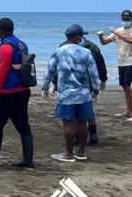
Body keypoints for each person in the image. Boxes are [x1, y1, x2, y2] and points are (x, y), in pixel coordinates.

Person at [42, 25, 100, 162]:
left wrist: (45, 86)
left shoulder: (59, 51)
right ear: (78, 37)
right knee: (82, 122)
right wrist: (96, 89)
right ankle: (81, 151)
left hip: (66, 93)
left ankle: (68, 152)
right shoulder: (86, 52)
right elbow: (93, 72)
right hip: (83, 93)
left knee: (68, 123)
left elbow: (50, 70)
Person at [0, 18, 34, 168]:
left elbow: (2, 70)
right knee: (23, 125)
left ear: (0, 31)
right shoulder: (22, 44)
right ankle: (28, 159)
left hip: (7, 92)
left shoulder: (5, 47)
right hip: (23, 90)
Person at [97, 10, 132, 121]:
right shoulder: (118, 30)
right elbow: (104, 42)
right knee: (125, 87)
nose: (125, 20)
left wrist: (116, 32)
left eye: (127, 19)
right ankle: (129, 111)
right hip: (121, 62)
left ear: (131, 19)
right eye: (124, 19)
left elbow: (131, 40)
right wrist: (100, 36)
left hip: (131, 62)